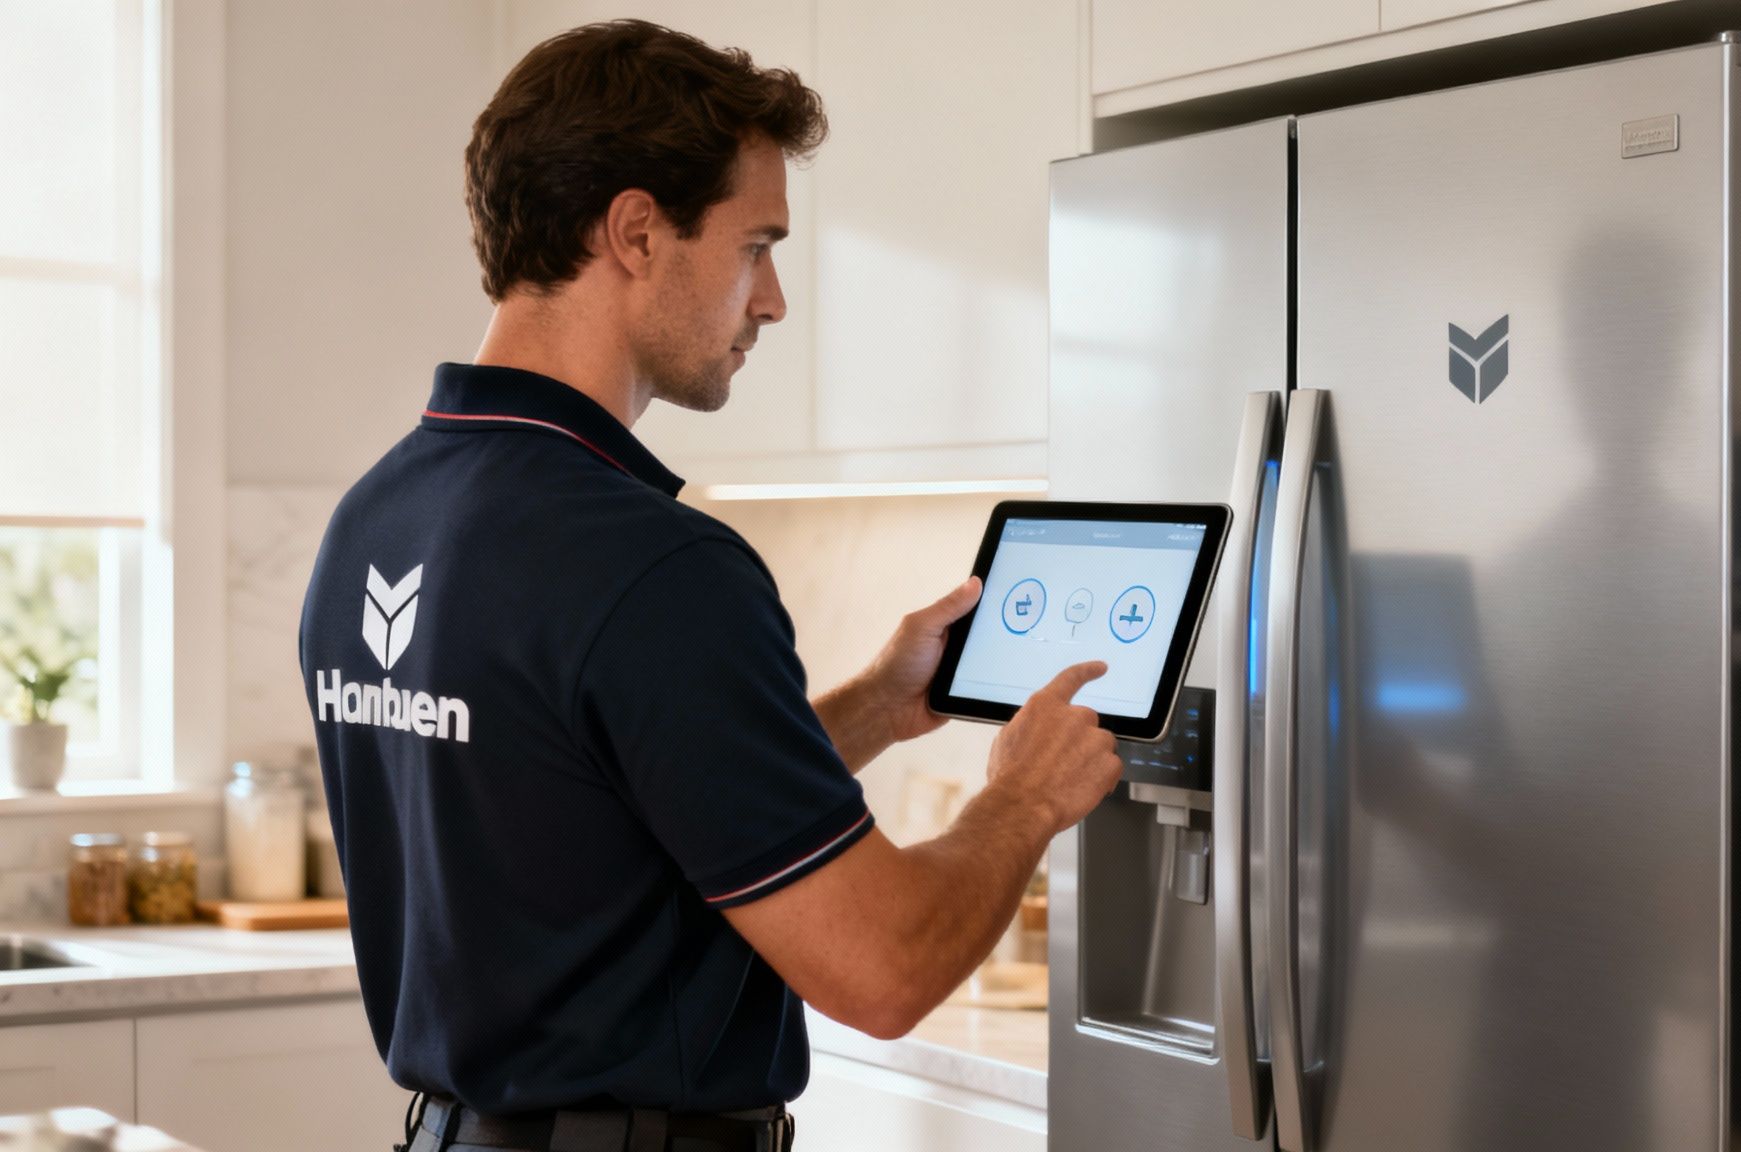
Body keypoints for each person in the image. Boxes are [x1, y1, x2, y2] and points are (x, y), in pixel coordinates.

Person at [297, 20, 1122, 1152]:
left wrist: (878, 706)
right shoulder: (655, 568)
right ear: (636, 231)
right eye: (755, 245)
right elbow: (883, 972)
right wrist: (1024, 798)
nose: (773, 298)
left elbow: (617, 818)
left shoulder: (379, 515)